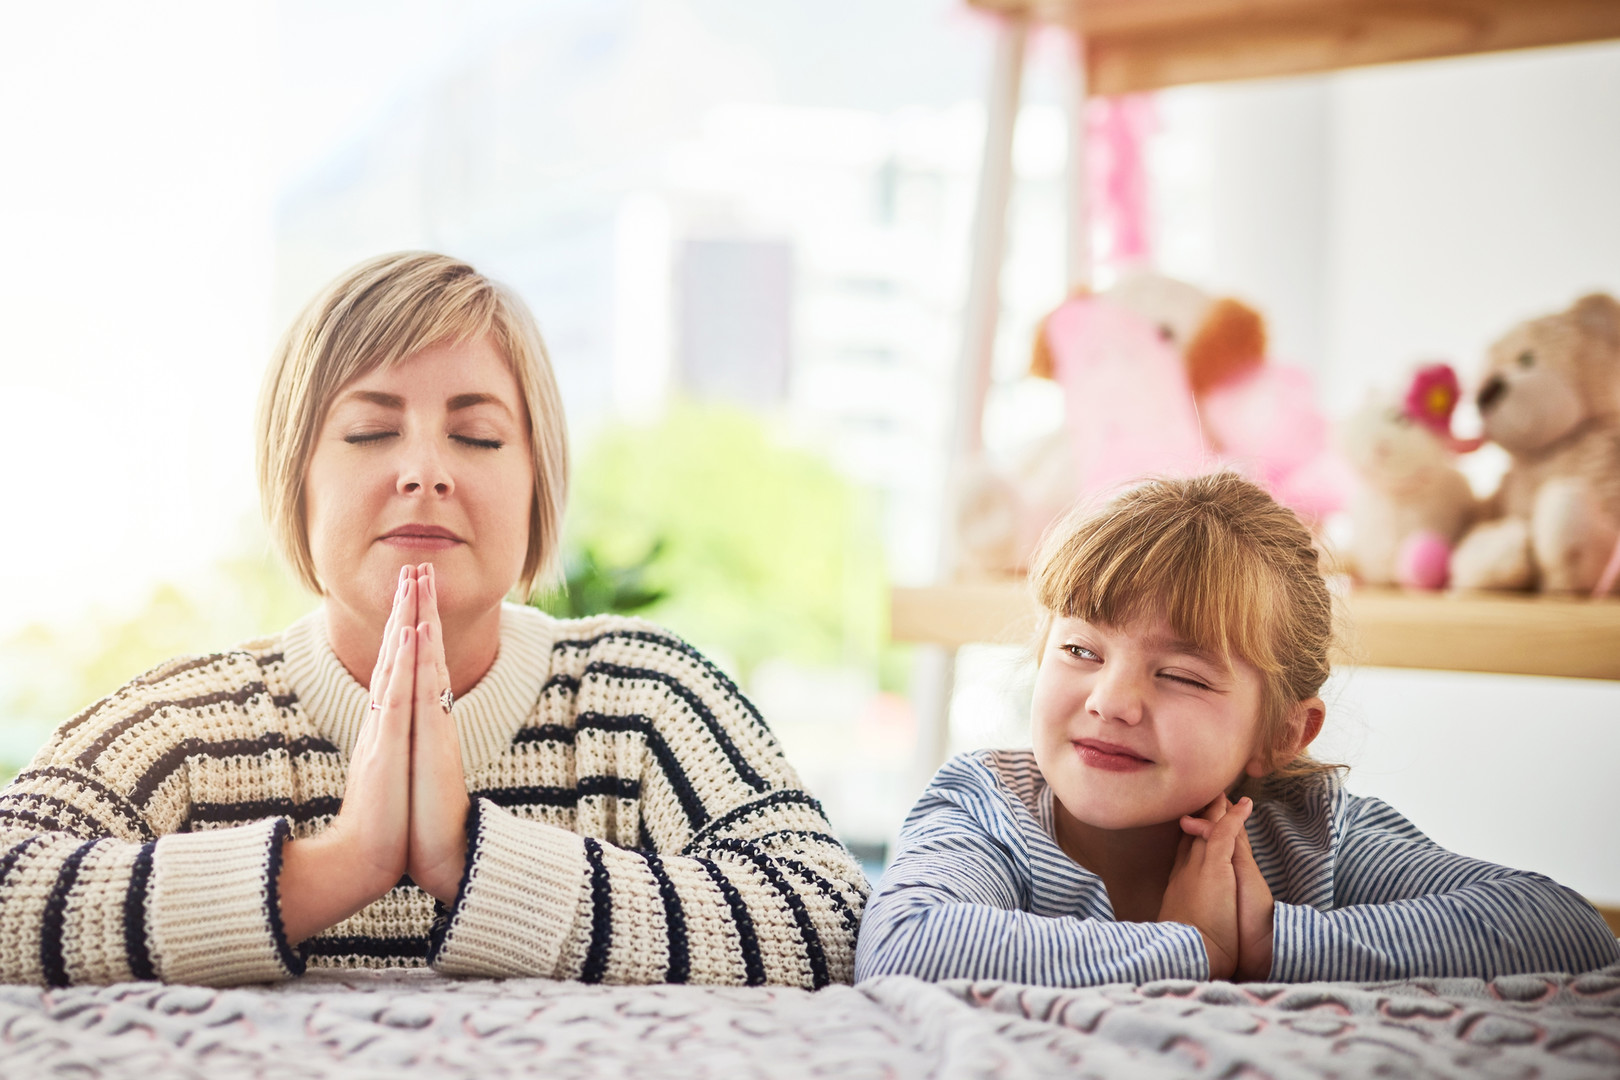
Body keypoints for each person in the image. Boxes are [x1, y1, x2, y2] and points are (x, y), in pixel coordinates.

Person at [0, 252, 867, 988]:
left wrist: (470, 861)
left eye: (479, 438)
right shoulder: (191, 722)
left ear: (537, 486)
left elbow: (829, 918)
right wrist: (336, 867)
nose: (424, 472)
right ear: (295, 482)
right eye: (372, 432)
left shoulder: (643, 697)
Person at [855, 472, 1619, 985]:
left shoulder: (1312, 835)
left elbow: (1565, 931)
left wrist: (1265, 941)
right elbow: (908, 944)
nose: (1112, 701)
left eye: (1181, 675)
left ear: (1284, 733)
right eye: (1081, 651)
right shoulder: (986, 810)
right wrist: (1194, 952)